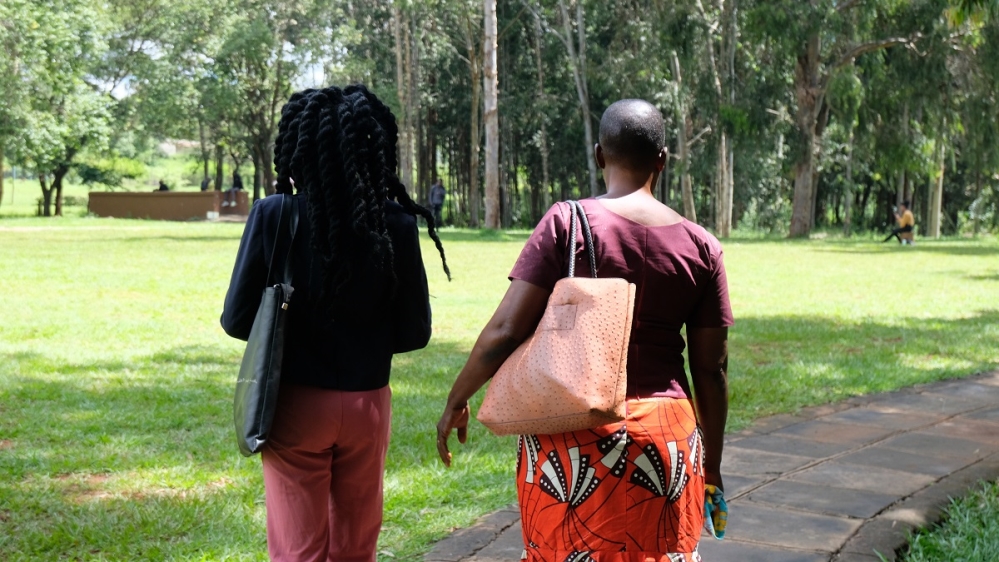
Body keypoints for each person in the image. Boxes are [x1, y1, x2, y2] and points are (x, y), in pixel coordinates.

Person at [436, 99, 732, 561]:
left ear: (599, 155)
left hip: (575, 439)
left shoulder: (566, 223)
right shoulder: (702, 246)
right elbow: (711, 370)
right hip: (667, 439)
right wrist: (709, 464)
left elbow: (506, 330)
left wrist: (458, 399)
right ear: (663, 159)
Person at [221, 84, 450, 562]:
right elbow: (416, 332)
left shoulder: (273, 215)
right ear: (372, 147)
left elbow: (237, 320)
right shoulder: (397, 224)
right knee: (356, 547)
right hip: (368, 405)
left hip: (293, 405)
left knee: (297, 549)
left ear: (298, 149)